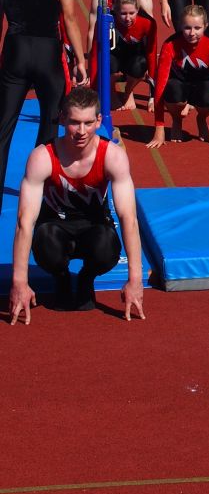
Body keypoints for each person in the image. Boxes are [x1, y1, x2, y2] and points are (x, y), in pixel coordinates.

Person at [8, 86, 145, 321]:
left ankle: (86, 278)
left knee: (106, 247)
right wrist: (19, 282)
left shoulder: (113, 157)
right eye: (74, 122)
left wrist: (135, 280)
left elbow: (128, 218)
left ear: (98, 121)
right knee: (45, 241)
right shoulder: (42, 157)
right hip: (55, 226)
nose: (81, 131)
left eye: (88, 123)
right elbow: (24, 222)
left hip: (94, 227)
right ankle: (61, 277)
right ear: (62, 119)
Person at [0, 0, 89, 204]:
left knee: (4, 126)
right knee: (50, 123)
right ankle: (42, 193)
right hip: (47, 52)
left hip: (15, 50)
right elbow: (70, 18)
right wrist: (80, 60)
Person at [149, 3, 209, 149]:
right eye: (187, 28)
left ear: (205, 26)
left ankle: (201, 118)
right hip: (178, 83)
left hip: (202, 83)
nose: (192, 33)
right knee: (172, 90)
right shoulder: (170, 44)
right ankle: (177, 119)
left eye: (197, 28)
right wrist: (159, 129)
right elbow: (160, 86)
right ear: (181, 26)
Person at [91, 0, 157, 113]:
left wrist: (153, 96)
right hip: (114, 59)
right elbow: (95, 53)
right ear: (115, 11)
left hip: (133, 60)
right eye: (123, 13)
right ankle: (111, 91)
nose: (127, 18)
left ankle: (128, 91)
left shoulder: (148, 22)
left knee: (141, 63)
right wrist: (93, 89)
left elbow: (152, 54)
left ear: (138, 10)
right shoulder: (105, 20)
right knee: (107, 61)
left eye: (131, 13)